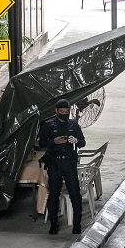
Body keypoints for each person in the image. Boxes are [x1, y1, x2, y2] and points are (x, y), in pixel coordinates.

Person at [37, 98, 86, 235]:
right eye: (62, 111)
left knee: (75, 194)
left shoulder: (73, 124)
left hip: (69, 163)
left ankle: (77, 224)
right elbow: (41, 142)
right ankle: (53, 224)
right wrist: (54, 141)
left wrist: (76, 140)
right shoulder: (48, 124)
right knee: (54, 194)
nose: (64, 113)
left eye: (67, 111)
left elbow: (82, 142)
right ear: (56, 111)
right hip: (55, 164)